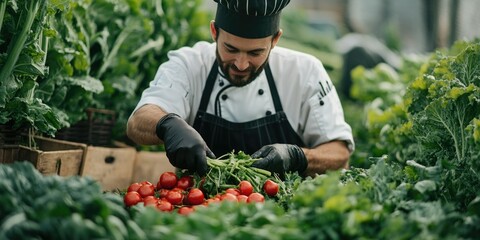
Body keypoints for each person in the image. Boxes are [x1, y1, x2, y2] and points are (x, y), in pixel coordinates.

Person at [127, 0, 354, 178]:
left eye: (255, 53)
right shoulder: (188, 64)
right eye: (230, 49)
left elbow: (340, 154)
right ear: (214, 32)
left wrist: (297, 157)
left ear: (275, 40)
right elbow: (138, 121)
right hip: (199, 209)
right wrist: (168, 126)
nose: (241, 64)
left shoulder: (304, 72)